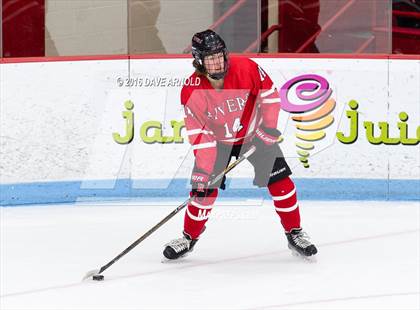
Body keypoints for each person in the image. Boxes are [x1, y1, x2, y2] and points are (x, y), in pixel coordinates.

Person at [163, 29, 317, 260]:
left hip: (255, 136)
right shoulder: (192, 89)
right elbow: (200, 135)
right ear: (198, 61)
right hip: (217, 143)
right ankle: (188, 238)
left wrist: (269, 129)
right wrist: (204, 173)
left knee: (281, 183)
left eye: (219, 56)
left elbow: (270, 96)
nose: (217, 62)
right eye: (210, 58)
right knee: (203, 193)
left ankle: (294, 233)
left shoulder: (246, 67)